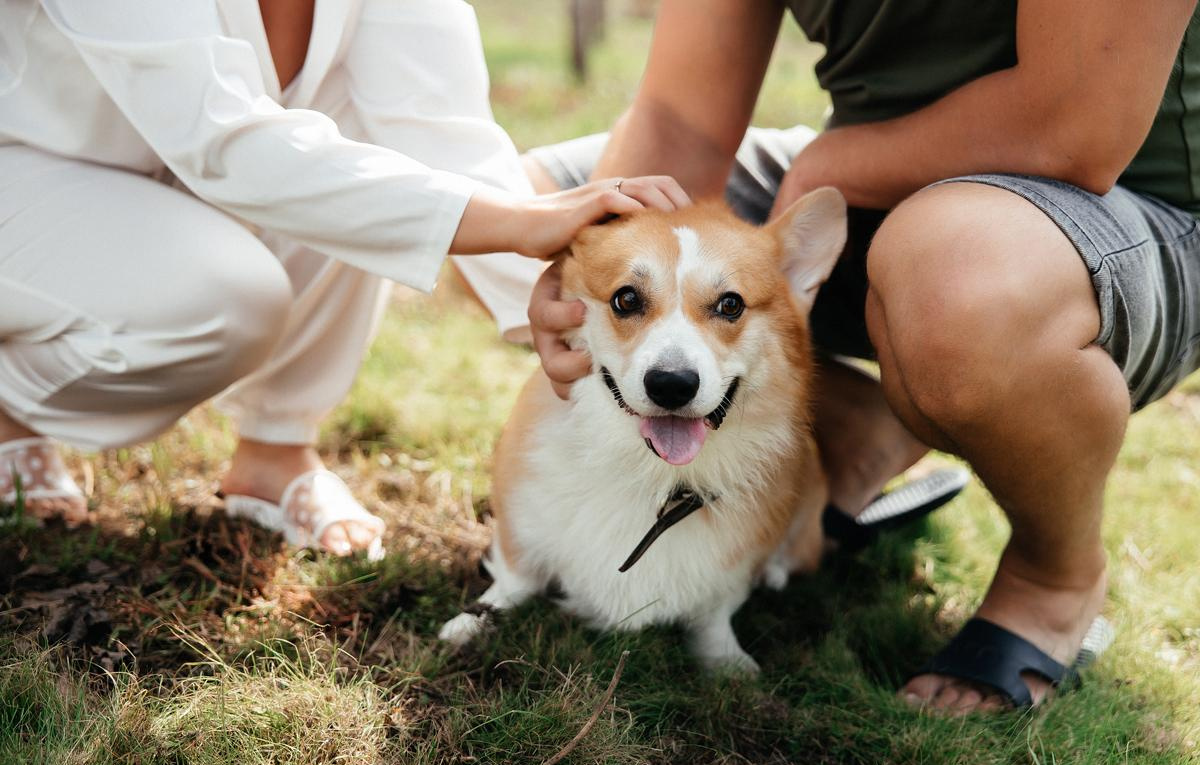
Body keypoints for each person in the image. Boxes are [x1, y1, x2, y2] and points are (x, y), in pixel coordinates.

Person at [524, 0, 1200, 712]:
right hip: (870, 185)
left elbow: (1077, 128)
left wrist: (828, 164)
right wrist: (592, 257)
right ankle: (860, 424)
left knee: (953, 280)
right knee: (522, 203)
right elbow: (677, 121)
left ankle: (1053, 578)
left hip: (1104, 206)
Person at [0, 1, 688, 557]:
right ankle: (9, 411)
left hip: (155, 178)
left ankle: (274, 446)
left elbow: (438, 131)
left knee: (353, 127)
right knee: (223, 300)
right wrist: (512, 222)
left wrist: (578, 306)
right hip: (23, 167)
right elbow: (219, 138)